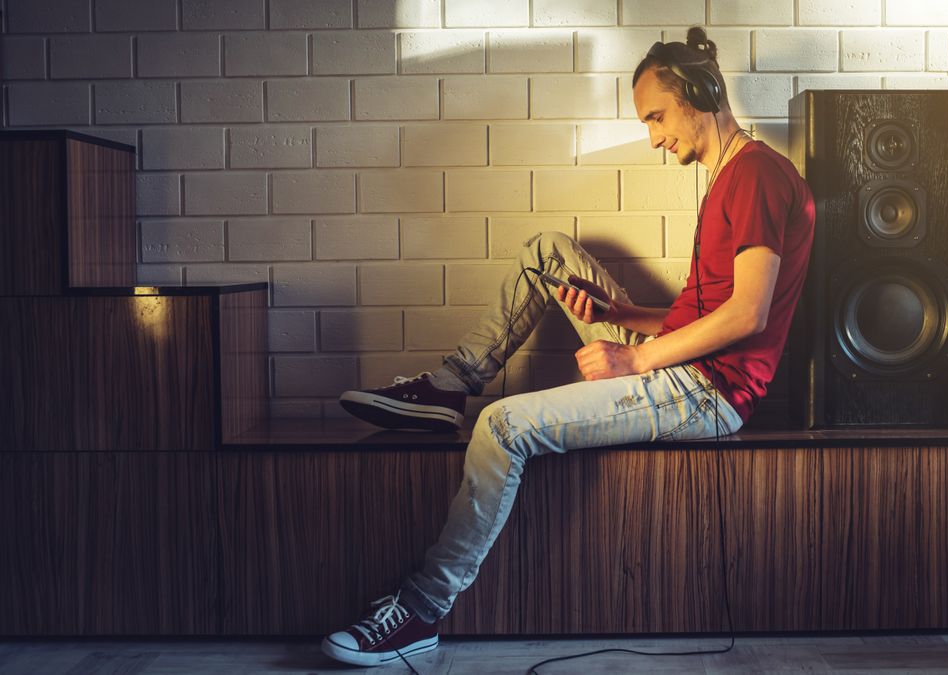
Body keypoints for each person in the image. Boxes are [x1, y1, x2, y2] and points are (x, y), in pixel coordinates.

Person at [320, 27, 815, 668]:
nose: (654, 136)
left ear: (701, 94)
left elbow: (748, 314)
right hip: (681, 360)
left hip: (705, 394)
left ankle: (419, 612)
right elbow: (707, 308)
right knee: (547, 253)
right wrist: (619, 315)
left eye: (657, 116)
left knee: (502, 427)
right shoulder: (734, 175)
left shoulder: (755, 175)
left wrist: (633, 358)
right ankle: (450, 385)